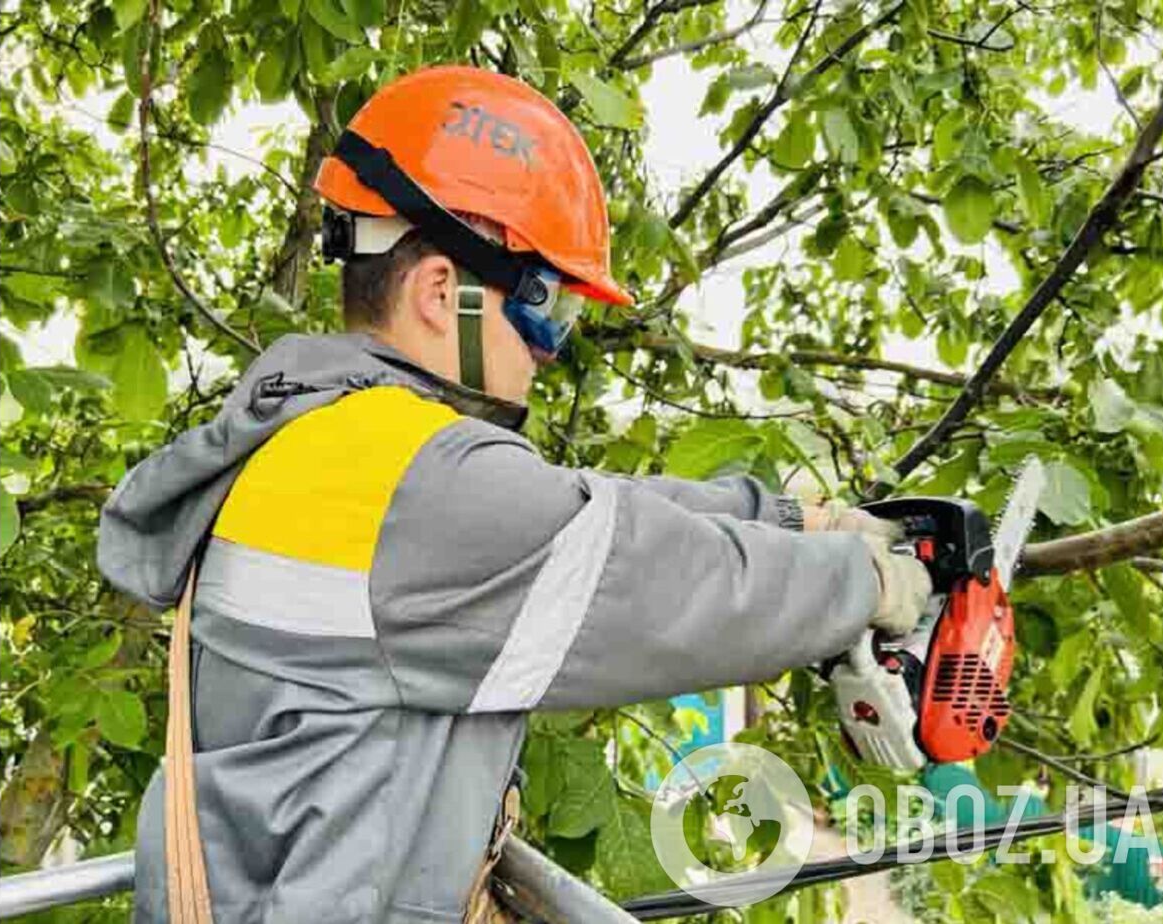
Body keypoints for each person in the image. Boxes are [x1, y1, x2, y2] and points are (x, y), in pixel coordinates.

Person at [93, 66, 934, 923]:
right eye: (545, 310)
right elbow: (670, 585)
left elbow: (584, 511)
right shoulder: (422, 488)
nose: (549, 351)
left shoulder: (316, 442)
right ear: (438, 294)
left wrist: (790, 518)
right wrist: (865, 581)